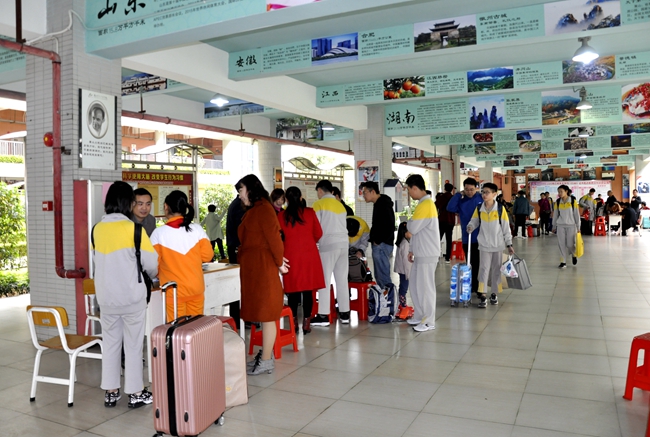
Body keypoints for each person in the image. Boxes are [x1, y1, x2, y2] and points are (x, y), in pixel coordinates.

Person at [92, 181, 157, 409]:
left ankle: (111, 392)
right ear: (129, 203)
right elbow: (151, 264)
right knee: (133, 346)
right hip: (131, 299)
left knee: (110, 344)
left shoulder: (97, 229)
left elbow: (97, 262)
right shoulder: (135, 229)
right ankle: (136, 393)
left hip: (106, 299)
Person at [236, 174, 288, 375]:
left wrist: (280, 263)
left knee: (267, 314)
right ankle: (265, 355)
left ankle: (266, 360)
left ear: (251, 189)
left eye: (241, 190)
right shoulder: (256, 209)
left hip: (263, 267)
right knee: (262, 313)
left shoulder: (264, 209)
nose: (240, 195)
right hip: (255, 267)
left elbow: (275, 240)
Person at [150, 190, 214, 322]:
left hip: (173, 291)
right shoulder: (197, 229)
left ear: (166, 207)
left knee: (177, 330)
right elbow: (207, 256)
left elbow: (152, 264)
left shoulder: (158, 234)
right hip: (196, 289)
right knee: (196, 329)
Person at [278, 186, 325, 335]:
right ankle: (306, 323)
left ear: (286, 199)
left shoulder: (281, 216)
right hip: (309, 255)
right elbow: (319, 233)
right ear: (300, 198)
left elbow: (278, 237)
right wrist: (308, 242)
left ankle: (294, 324)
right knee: (308, 290)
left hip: (290, 256)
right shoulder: (310, 212)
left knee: (293, 291)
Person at [466, 183, 515, 308]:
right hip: (483, 244)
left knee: (496, 269)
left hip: (497, 244)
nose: (484, 194)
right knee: (483, 269)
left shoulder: (500, 209)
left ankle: (494, 293)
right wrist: (470, 226)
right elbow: (474, 221)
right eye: (483, 192)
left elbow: (506, 228)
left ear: (494, 194)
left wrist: (509, 244)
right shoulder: (479, 208)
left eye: (487, 192)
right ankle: (483, 294)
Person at [311, 180, 350, 326]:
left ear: (320, 190)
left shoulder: (319, 204)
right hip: (343, 244)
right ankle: (345, 314)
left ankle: (323, 315)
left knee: (324, 280)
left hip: (328, 245)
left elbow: (316, 227)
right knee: (342, 279)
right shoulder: (340, 205)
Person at [405, 174, 439, 332]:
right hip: (420, 252)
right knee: (415, 286)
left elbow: (412, 228)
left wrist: (408, 223)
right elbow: (416, 231)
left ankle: (429, 321)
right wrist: (411, 249)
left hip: (427, 253)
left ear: (415, 188)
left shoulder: (426, 204)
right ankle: (419, 315)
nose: (409, 193)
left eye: (409, 190)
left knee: (426, 288)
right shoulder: (423, 204)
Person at [447, 177, 482, 298]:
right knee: (470, 263)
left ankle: (479, 287)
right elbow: (450, 208)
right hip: (467, 237)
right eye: (466, 189)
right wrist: (458, 195)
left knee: (479, 264)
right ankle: (472, 285)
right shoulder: (462, 201)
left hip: (482, 238)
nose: (469, 192)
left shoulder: (481, 198)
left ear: (476, 188)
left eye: (471, 189)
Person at [361, 181, 395, 289]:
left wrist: (378, 240)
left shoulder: (383, 204)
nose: (363, 195)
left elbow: (389, 225)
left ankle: (388, 297)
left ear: (373, 192)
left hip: (382, 245)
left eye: (365, 192)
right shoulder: (379, 203)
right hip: (381, 244)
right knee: (380, 276)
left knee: (383, 277)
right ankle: (383, 297)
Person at [225, 189, 245, 324]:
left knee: (238, 283)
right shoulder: (239, 206)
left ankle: (238, 317)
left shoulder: (238, 204)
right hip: (238, 248)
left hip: (236, 247)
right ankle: (237, 318)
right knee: (237, 284)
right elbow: (242, 230)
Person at [552, 185, 580, 269]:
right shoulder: (557, 202)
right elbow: (555, 215)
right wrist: (554, 226)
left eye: (561, 191)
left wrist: (578, 227)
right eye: (558, 192)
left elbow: (577, 215)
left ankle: (574, 254)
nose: (559, 193)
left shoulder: (573, 201)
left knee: (570, 244)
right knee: (561, 244)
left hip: (571, 225)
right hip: (560, 225)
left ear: (566, 191)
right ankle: (563, 261)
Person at [393, 222, 412, 309]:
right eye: (410, 231)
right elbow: (406, 261)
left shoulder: (402, 242)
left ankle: (401, 304)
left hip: (402, 269)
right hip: (404, 270)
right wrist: (408, 274)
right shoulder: (405, 244)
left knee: (402, 286)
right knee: (404, 288)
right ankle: (402, 305)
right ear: (405, 232)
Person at [435, 183, 455, 264]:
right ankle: (447, 258)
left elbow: (435, 206)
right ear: (452, 190)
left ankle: (436, 256)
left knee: (438, 239)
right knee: (449, 240)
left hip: (442, 220)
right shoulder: (453, 198)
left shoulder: (440, 197)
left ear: (445, 189)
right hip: (450, 221)